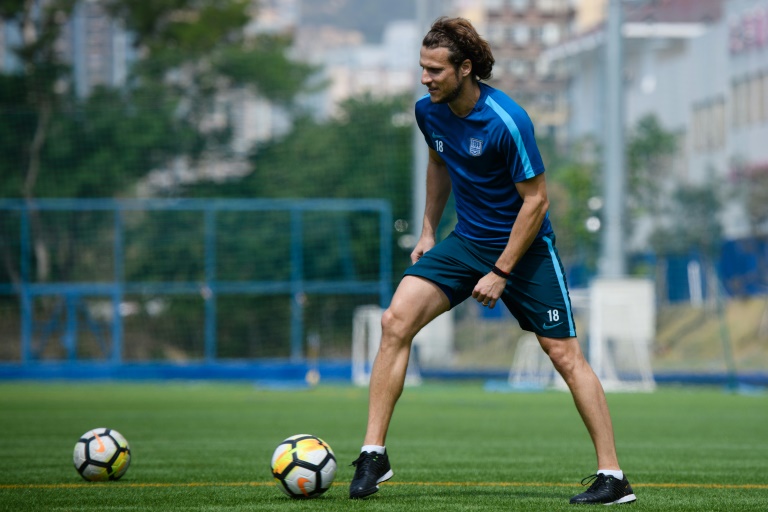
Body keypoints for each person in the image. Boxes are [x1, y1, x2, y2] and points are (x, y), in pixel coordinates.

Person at [348, 16, 636, 506]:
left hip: (525, 250)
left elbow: (536, 202)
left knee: (564, 355)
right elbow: (439, 162)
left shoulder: (508, 120)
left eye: (435, 70)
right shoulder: (428, 112)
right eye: (422, 68)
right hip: (465, 242)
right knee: (395, 321)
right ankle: (374, 454)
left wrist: (501, 271)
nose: (424, 78)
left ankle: (613, 477)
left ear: (465, 68)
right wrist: (428, 230)